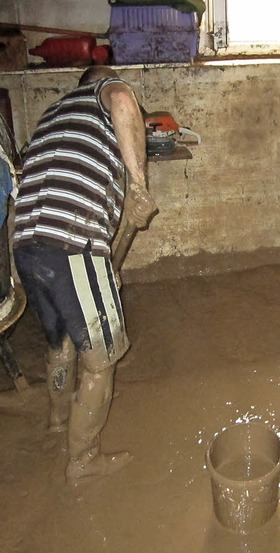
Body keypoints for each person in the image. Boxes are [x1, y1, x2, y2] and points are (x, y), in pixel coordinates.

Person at [12, 66, 156, 484]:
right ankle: (83, 461)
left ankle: (57, 424)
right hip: (72, 240)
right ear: (99, 82)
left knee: (61, 345)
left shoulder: (54, 115)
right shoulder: (106, 92)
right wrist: (139, 184)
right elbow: (125, 100)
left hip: (28, 244)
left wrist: (107, 269)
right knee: (101, 358)